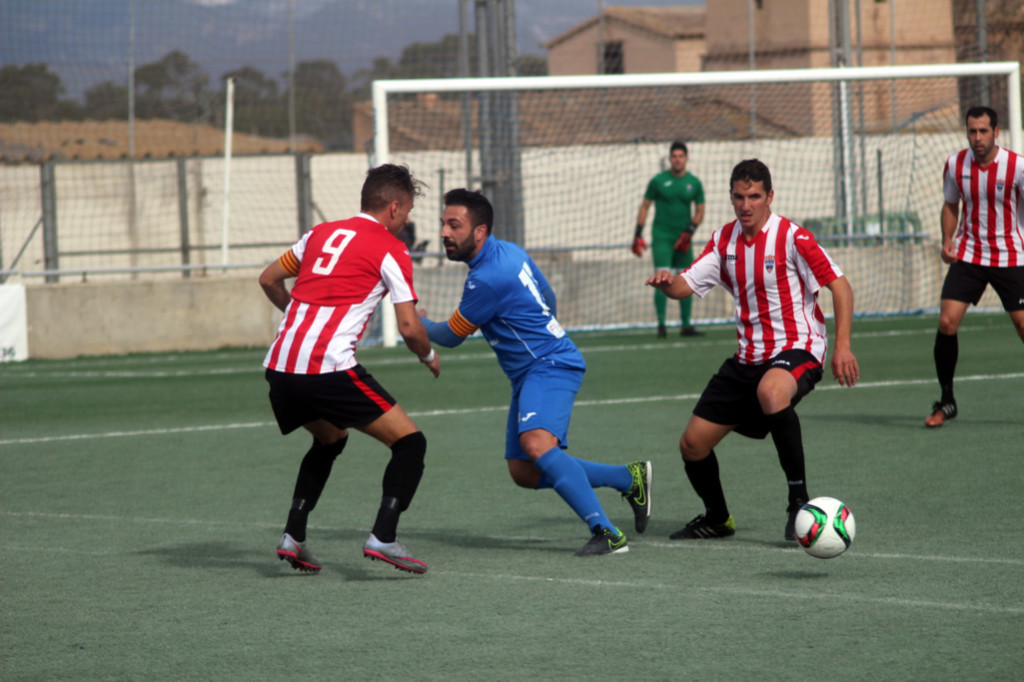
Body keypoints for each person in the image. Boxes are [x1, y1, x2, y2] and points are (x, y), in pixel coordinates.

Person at [420, 188, 651, 556]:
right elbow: (549, 297)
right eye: (443, 224)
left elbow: (450, 336)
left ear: (479, 232)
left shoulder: (487, 278)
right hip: (537, 368)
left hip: (548, 365)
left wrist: (415, 323)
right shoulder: (510, 250)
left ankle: (606, 532)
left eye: (454, 225)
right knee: (524, 471)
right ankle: (628, 477)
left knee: (537, 445)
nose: (445, 233)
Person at [646, 159, 859, 541]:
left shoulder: (793, 237)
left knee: (772, 391)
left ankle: (799, 504)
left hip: (799, 347)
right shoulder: (723, 241)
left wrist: (842, 347)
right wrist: (667, 282)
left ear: (769, 197)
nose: (746, 205)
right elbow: (684, 286)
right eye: (739, 197)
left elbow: (840, 287)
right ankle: (718, 518)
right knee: (692, 445)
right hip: (749, 358)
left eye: (754, 197)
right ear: (731, 197)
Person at [259, 163, 441, 575]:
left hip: (280, 366)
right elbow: (409, 327)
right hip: (327, 369)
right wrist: (428, 356)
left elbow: (268, 279)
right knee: (411, 444)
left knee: (330, 439)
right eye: (408, 212)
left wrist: (301, 323)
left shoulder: (320, 234)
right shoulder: (391, 248)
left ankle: (294, 536)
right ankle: (384, 537)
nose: (407, 221)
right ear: (394, 208)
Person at [925, 105, 1024, 427]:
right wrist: (947, 239)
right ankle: (947, 400)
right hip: (970, 255)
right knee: (946, 322)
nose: (977, 138)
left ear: (996, 132)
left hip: (1012, 255)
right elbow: (951, 204)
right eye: (972, 131)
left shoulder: (1017, 167)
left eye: (983, 131)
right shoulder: (955, 164)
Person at [633, 140, 706, 338]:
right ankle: (662, 324)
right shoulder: (657, 181)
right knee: (661, 277)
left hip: (683, 238)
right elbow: (645, 206)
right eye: (674, 156)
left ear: (686, 158)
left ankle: (686, 325)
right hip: (662, 236)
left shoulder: (694, 183)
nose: (677, 160)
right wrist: (637, 233)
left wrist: (689, 232)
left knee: (687, 278)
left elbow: (700, 211)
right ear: (670, 159)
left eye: (681, 156)